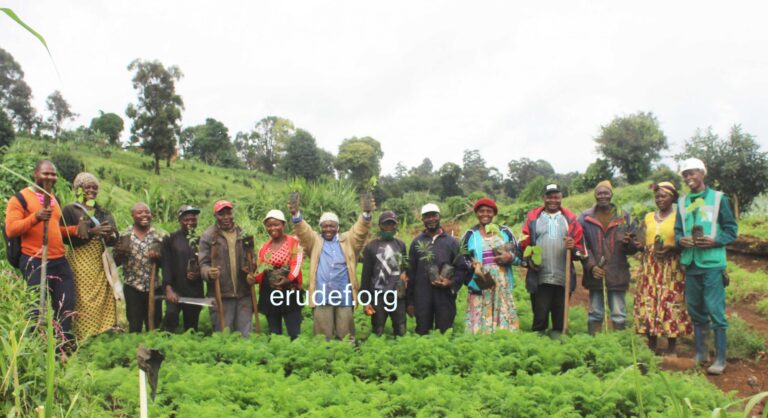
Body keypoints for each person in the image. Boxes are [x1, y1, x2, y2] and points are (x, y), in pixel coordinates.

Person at [4, 160, 82, 344]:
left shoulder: (54, 199)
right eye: (46, 173)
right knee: (36, 307)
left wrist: (74, 230)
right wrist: (35, 217)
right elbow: (11, 229)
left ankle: (62, 345)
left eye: (53, 174)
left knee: (66, 304)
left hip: (59, 260)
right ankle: (35, 345)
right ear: (35, 174)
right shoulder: (20, 198)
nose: (50, 177)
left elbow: (55, 230)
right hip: (35, 260)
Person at [675, 158, 738, 375]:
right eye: (685, 175)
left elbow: (731, 230)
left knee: (715, 310)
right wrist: (680, 240)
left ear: (702, 173)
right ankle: (701, 353)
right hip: (691, 263)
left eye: (692, 173)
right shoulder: (682, 202)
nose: (688, 178)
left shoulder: (719, 199)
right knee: (695, 309)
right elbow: (677, 231)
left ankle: (720, 359)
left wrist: (715, 241)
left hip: (712, 264)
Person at [289, 196, 373, 341]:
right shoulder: (315, 241)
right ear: (321, 228)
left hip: (344, 294)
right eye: (325, 226)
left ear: (337, 227)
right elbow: (303, 232)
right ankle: (324, 354)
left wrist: (366, 215)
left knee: (345, 334)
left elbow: (360, 232)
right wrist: (296, 215)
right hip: (322, 295)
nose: (328, 229)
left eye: (332, 226)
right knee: (322, 335)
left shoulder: (347, 240)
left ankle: (346, 353)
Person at [519, 184, 585, 338]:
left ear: (561, 198)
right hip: (540, 276)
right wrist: (529, 259)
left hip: (563, 276)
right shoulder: (533, 219)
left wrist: (573, 247)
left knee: (560, 316)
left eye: (556, 197)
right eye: (549, 197)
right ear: (544, 198)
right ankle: (539, 342)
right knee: (540, 314)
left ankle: (558, 342)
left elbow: (580, 249)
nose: (552, 200)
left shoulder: (570, 220)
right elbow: (524, 243)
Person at [634, 182, 692, 355]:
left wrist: (673, 248)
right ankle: (652, 343)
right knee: (649, 300)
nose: (659, 199)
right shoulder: (648, 217)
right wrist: (640, 245)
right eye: (657, 196)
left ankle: (671, 346)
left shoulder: (680, 217)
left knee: (671, 301)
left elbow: (685, 240)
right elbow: (642, 238)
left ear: (673, 198)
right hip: (650, 266)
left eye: (664, 196)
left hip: (671, 265)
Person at [61, 172, 120, 340]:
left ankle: (100, 334)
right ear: (78, 189)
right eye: (87, 187)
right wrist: (92, 232)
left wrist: (110, 236)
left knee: (103, 296)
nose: (92, 190)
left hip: (100, 260)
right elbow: (65, 238)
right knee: (82, 296)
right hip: (79, 260)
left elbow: (113, 238)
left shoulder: (102, 211)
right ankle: (82, 336)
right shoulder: (70, 210)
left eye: (95, 187)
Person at [579, 180, 640, 334]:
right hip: (595, 273)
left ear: (611, 194)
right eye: (599, 193)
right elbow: (582, 245)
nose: (602, 196)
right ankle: (596, 343)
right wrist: (592, 266)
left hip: (617, 272)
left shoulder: (624, 216)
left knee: (619, 314)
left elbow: (634, 246)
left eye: (606, 193)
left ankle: (618, 343)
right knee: (595, 313)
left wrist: (629, 243)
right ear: (595, 195)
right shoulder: (585, 217)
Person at [460, 198, 521, 334]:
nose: (485, 214)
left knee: (503, 309)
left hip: (502, 281)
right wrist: (472, 265)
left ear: (494, 213)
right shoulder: (470, 234)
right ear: (476, 213)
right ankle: (479, 338)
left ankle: (502, 338)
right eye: (481, 211)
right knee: (480, 311)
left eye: (489, 211)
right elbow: (461, 258)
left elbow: (519, 256)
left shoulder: (505, 232)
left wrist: (509, 257)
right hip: (481, 280)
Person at [407, 203, 468, 335]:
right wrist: (410, 302)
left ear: (439, 217)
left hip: (445, 295)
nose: (431, 219)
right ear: (422, 219)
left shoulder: (452, 242)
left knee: (445, 332)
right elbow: (410, 273)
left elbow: (461, 269)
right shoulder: (416, 243)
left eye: (434, 215)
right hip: (422, 295)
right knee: (423, 331)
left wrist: (450, 282)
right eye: (427, 216)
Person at [198, 200, 253, 336]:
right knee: (223, 334)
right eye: (221, 214)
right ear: (215, 216)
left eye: (228, 213)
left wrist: (251, 271)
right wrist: (208, 272)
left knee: (245, 334)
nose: (226, 217)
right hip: (221, 295)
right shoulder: (209, 236)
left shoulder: (243, 233)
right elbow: (203, 264)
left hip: (243, 293)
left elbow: (252, 258)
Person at [252, 209, 304, 340]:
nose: (272, 228)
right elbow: (262, 266)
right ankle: (276, 349)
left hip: (289, 290)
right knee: (274, 331)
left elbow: (297, 262)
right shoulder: (265, 248)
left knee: (294, 331)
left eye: (276, 224)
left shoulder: (294, 243)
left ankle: (295, 350)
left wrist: (289, 279)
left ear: (283, 225)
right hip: (270, 291)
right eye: (269, 225)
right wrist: (254, 278)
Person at [114, 202, 164, 333]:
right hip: (133, 287)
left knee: (154, 324)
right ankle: (135, 345)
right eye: (140, 212)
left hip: (154, 286)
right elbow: (115, 262)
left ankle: (152, 345)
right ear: (132, 215)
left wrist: (159, 257)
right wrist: (120, 253)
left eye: (147, 212)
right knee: (135, 324)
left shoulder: (159, 235)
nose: (144, 215)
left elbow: (167, 263)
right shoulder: (124, 235)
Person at [361, 210, 408, 337]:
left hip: (397, 295)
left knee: (401, 328)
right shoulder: (371, 247)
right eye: (386, 224)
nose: (389, 227)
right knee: (378, 329)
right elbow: (366, 276)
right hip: (378, 296)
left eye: (392, 224)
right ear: (380, 226)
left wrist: (405, 274)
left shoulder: (401, 245)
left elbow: (405, 268)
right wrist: (365, 300)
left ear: (396, 226)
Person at [162, 205, 205, 332]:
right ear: (180, 220)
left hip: (194, 291)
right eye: (186, 219)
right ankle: (165, 341)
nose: (190, 222)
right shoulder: (170, 239)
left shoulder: (201, 240)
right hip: (175, 289)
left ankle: (189, 343)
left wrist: (199, 273)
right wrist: (168, 288)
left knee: (191, 327)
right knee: (171, 316)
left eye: (193, 219)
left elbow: (206, 263)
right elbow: (166, 264)